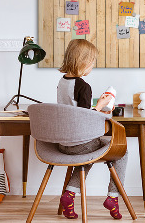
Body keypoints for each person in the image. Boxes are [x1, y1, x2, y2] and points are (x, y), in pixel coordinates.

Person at [57, 39, 127, 220]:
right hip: (80, 143)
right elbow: (85, 118)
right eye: (92, 61)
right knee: (122, 151)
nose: (93, 66)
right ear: (83, 61)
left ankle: (69, 195)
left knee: (87, 154)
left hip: (63, 143)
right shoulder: (83, 86)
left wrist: (97, 106)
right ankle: (113, 197)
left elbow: (74, 111)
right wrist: (102, 105)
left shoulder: (62, 82)